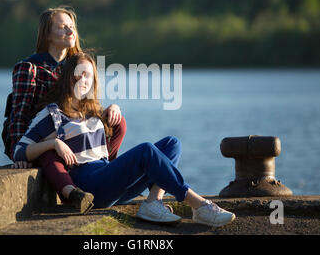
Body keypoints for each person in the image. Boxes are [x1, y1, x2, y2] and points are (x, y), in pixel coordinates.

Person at [14, 52, 236, 227]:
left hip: (107, 174)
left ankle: (153, 202)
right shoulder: (52, 114)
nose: (84, 80)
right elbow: (21, 150)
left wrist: (114, 109)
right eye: (79, 73)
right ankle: (199, 205)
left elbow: (114, 135)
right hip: (89, 183)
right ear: (67, 77)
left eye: (89, 75)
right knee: (145, 151)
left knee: (172, 143)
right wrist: (53, 143)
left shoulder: (92, 111)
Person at [6, 6, 127, 214]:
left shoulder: (77, 64)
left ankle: (105, 171)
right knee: (51, 148)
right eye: (63, 27)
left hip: (76, 138)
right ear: (48, 35)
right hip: (45, 139)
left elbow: (88, 107)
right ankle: (74, 191)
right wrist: (20, 154)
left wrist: (112, 108)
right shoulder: (30, 68)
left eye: (72, 27)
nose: (71, 31)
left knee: (118, 123)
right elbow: (20, 115)